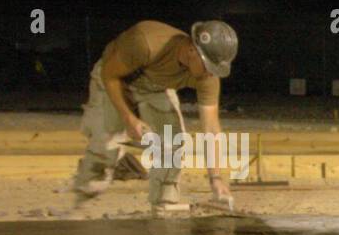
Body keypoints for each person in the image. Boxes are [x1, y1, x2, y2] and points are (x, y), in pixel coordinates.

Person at [72, 20, 237, 209]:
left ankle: (164, 204)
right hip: (115, 80)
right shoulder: (146, 43)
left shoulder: (207, 77)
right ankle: (77, 205)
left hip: (154, 87)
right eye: (209, 66)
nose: (211, 74)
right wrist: (128, 118)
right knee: (106, 147)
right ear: (192, 50)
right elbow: (110, 75)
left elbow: (211, 128)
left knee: (172, 141)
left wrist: (215, 178)